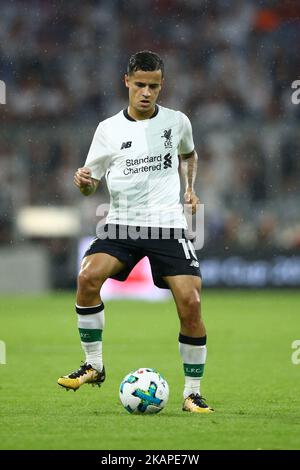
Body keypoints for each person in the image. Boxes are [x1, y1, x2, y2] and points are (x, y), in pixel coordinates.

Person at [58, 51, 213, 413]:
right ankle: (94, 365)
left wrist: (189, 187)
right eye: (140, 84)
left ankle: (192, 392)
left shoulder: (177, 122)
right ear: (126, 82)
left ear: (162, 86)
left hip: (167, 224)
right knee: (87, 278)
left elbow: (189, 155)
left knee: (191, 302)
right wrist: (82, 182)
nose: (147, 92)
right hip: (122, 224)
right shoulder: (108, 130)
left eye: (154, 86)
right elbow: (89, 183)